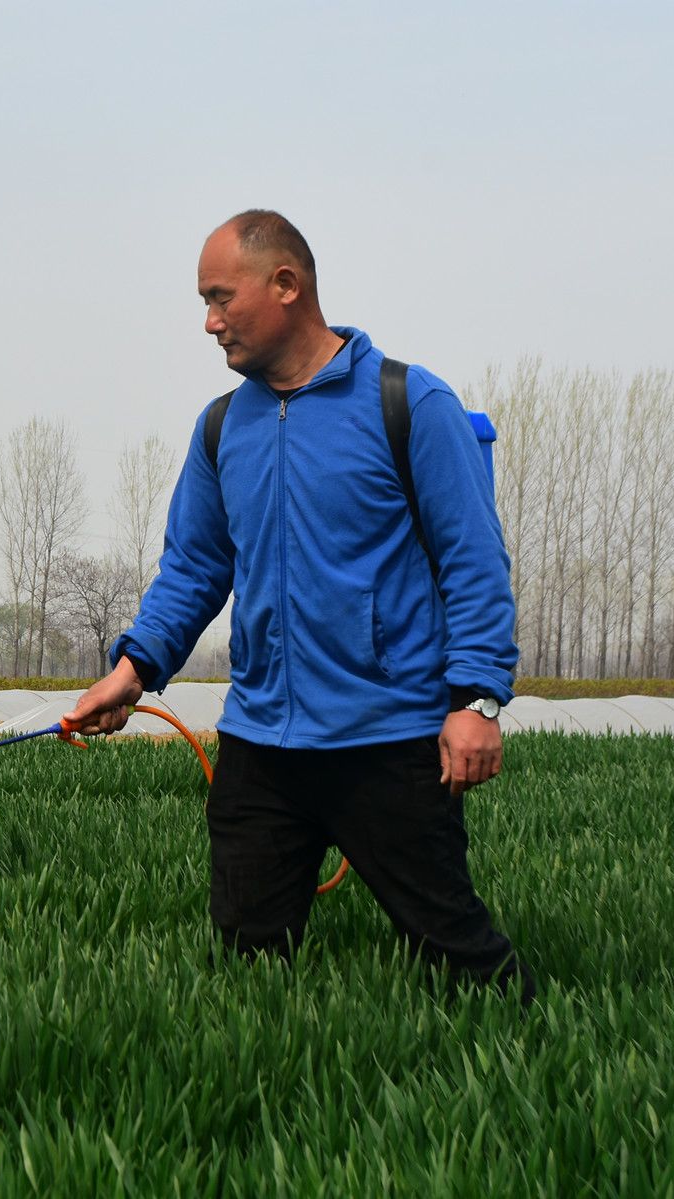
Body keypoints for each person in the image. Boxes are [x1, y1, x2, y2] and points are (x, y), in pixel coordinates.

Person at [63, 210, 532, 999]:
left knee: (457, 955)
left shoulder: (409, 403)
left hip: (388, 738)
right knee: (244, 967)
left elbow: (474, 561)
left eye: (221, 297)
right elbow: (194, 568)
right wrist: (133, 669)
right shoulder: (221, 428)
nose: (209, 322)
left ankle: (534, 1068)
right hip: (262, 746)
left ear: (287, 285)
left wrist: (478, 700)